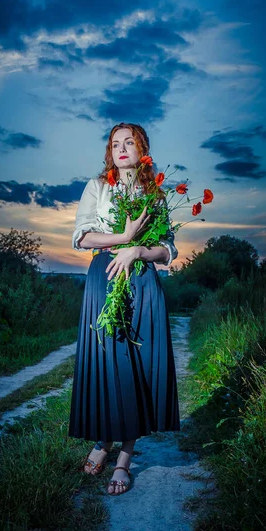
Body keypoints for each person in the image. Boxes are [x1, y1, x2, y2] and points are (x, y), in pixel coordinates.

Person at [68, 122, 180, 495]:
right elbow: (81, 237)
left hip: (142, 279)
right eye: (115, 143)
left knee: (136, 365)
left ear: (142, 148)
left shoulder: (156, 194)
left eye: (128, 142)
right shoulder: (97, 187)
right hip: (105, 272)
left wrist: (137, 251)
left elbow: (167, 250)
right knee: (108, 361)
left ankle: (123, 459)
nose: (121, 148)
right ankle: (102, 440)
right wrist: (124, 238)